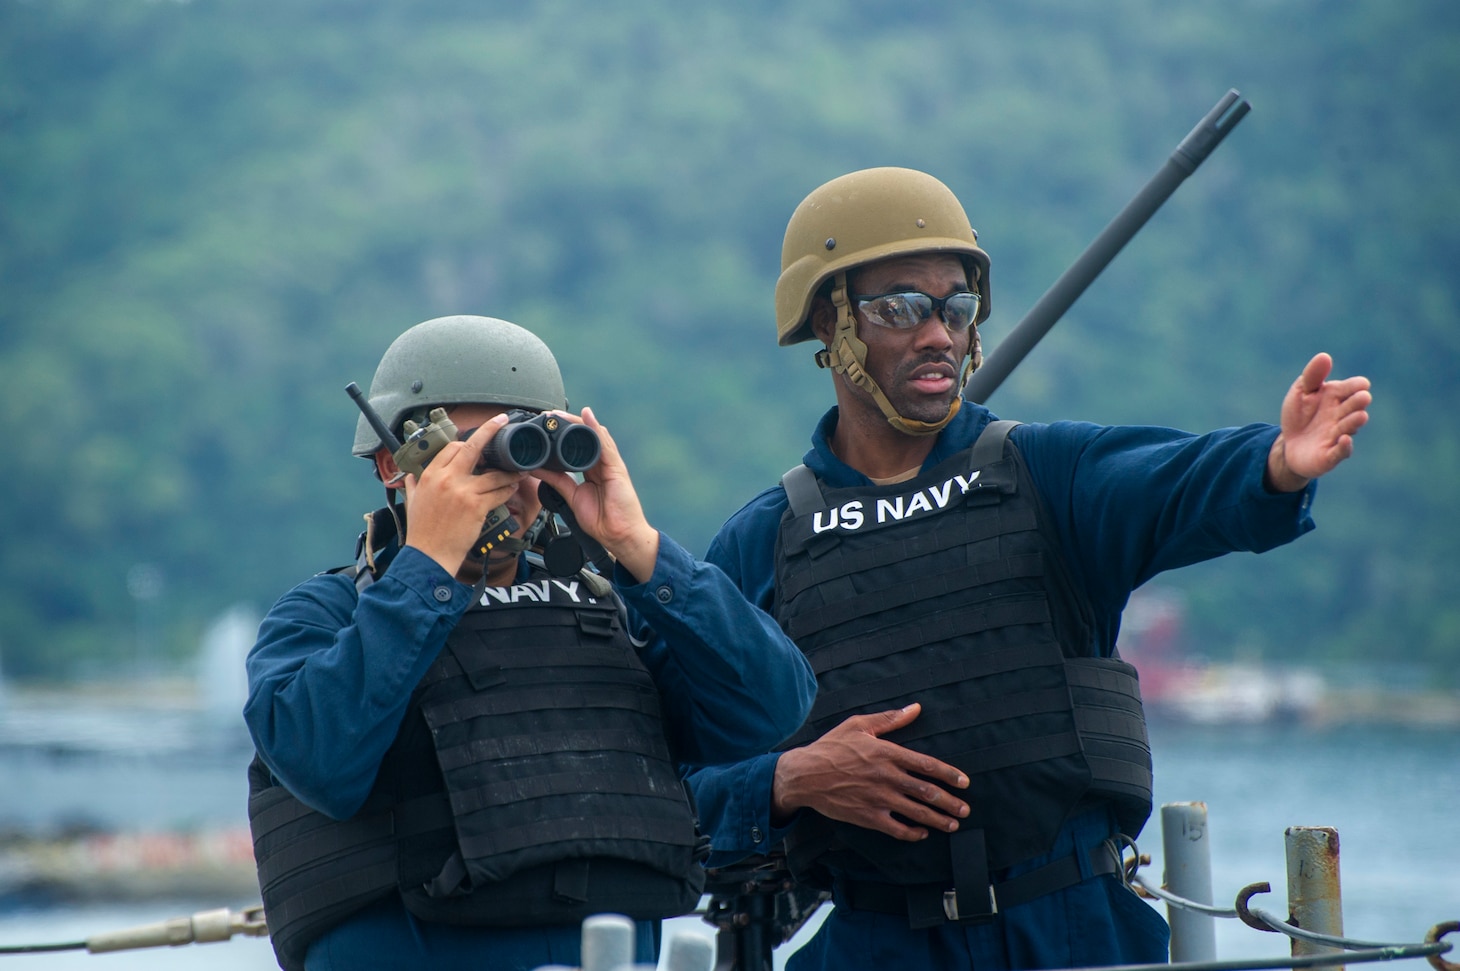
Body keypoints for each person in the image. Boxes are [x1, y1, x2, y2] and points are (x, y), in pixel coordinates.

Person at [685, 167, 1372, 971]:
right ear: (830, 326)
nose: (938, 333)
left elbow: (1174, 481)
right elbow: (677, 783)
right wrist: (792, 777)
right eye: (902, 307)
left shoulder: (1047, 472)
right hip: (875, 942)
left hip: (1078, 931)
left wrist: (1276, 463)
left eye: (957, 306)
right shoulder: (763, 541)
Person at [244, 315, 816, 971]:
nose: (503, 481)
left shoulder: (606, 613)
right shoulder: (328, 615)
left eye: (525, 448)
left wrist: (639, 550)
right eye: (470, 452)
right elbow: (320, 760)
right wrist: (426, 571)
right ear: (390, 464)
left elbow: (774, 706)